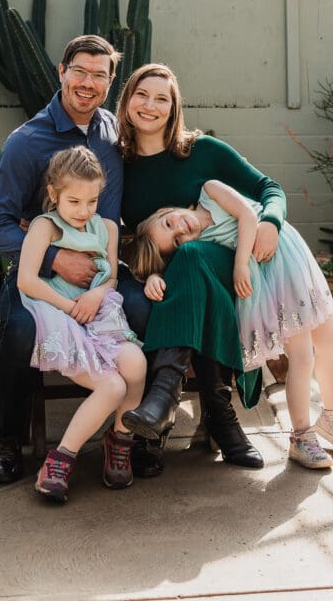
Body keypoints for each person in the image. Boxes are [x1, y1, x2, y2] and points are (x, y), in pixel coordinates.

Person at [0, 34, 146, 484]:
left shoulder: (112, 131)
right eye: (80, 71)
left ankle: (131, 434)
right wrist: (56, 258)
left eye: (100, 75)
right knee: (18, 330)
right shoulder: (26, 141)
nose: (88, 83)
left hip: (103, 269)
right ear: (61, 72)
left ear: (111, 82)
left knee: (147, 309)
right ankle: (8, 438)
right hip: (42, 269)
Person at [115, 63, 289, 470]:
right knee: (186, 277)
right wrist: (152, 272)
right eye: (142, 95)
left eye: (162, 98)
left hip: (234, 266)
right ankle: (220, 419)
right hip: (180, 283)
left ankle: (161, 404)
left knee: (193, 259)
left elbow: (269, 189)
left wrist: (270, 222)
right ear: (126, 101)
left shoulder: (203, 151)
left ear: (174, 108)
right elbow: (136, 238)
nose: (150, 105)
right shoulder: (120, 166)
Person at [132, 179, 333, 469]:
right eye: (176, 240)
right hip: (271, 278)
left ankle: (332, 415)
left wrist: (240, 264)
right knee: (302, 354)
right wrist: (153, 276)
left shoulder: (210, 191)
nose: (180, 229)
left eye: (168, 223)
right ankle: (301, 436)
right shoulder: (202, 244)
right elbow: (180, 272)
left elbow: (249, 215)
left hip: (288, 253)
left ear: (166, 210)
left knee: (329, 339)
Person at [18, 146, 146, 501]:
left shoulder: (105, 227)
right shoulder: (46, 226)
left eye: (91, 201)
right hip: (59, 314)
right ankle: (60, 459)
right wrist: (71, 306)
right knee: (113, 388)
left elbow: (111, 278)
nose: (83, 211)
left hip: (99, 312)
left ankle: (120, 438)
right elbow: (27, 280)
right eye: (73, 201)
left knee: (136, 363)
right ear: (53, 194)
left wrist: (94, 296)